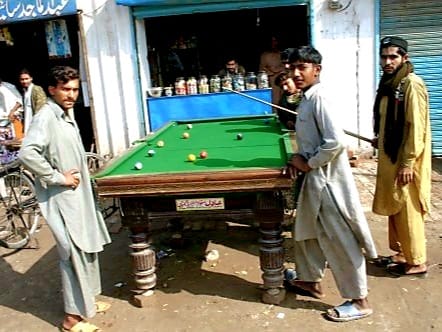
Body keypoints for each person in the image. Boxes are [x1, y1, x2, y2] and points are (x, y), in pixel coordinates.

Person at [283, 46, 377, 322]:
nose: (296, 73)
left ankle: (359, 300)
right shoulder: (308, 98)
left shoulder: (320, 98)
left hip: (329, 184)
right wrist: (300, 158)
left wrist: (308, 163)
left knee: (340, 240)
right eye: (292, 68)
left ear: (317, 70)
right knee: (305, 232)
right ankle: (309, 280)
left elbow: (335, 142)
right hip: (315, 180)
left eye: (303, 67)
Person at [18, 66, 111, 332]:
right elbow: (28, 154)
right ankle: (71, 318)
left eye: (75, 89)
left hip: (77, 195)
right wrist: (58, 177)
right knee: (71, 253)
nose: (71, 95)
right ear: (52, 90)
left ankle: (87, 303)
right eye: (66, 89)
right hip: (62, 197)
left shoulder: (65, 114)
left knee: (86, 246)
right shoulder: (46, 116)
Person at [372, 36, 431, 276]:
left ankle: (417, 260)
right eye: (384, 56)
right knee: (395, 204)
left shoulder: (410, 84)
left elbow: (415, 127)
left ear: (404, 58)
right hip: (391, 153)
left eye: (393, 56)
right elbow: (388, 119)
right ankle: (402, 252)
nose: (387, 61)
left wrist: (408, 163)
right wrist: (380, 137)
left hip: (407, 157)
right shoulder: (389, 83)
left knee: (408, 205)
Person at [18, 68, 47, 134]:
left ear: (31, 78)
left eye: (26, 79)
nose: (24, 81)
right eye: (22, 79)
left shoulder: (36, 89)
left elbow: (41, 106)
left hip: (36, 121)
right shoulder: (24, 91)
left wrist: (37, 121)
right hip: (27, 120)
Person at [259, 35, 285, 105]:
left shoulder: (282, 54)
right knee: (274, 101)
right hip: (271, 81)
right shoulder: (264, 55)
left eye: (275, 41)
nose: (274, 43)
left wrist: (277, 70)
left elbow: (286, 67)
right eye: (272, 41)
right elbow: (261, 70)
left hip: (282, 80)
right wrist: (271, 72)